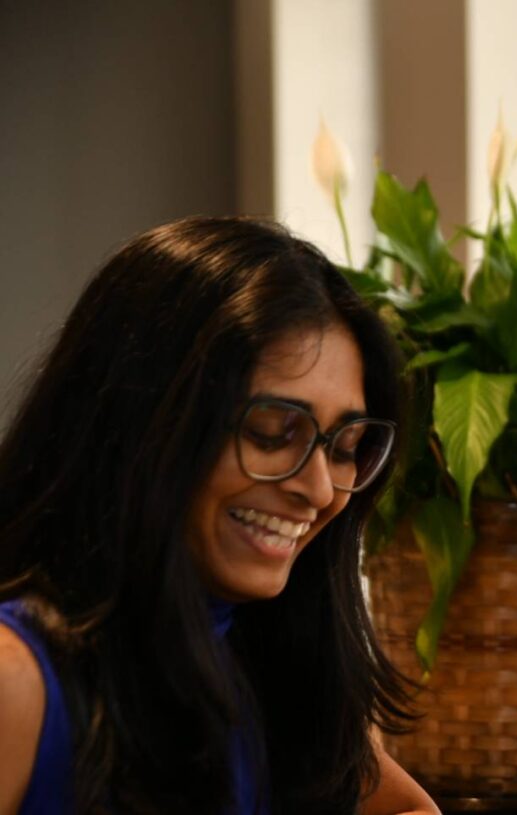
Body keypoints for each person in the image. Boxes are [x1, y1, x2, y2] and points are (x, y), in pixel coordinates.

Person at [0, 217, 440, 815]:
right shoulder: (17, 676)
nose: (317, 489)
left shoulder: (269, 658)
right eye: (272, 433)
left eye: (344, 446)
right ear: (141, 418)